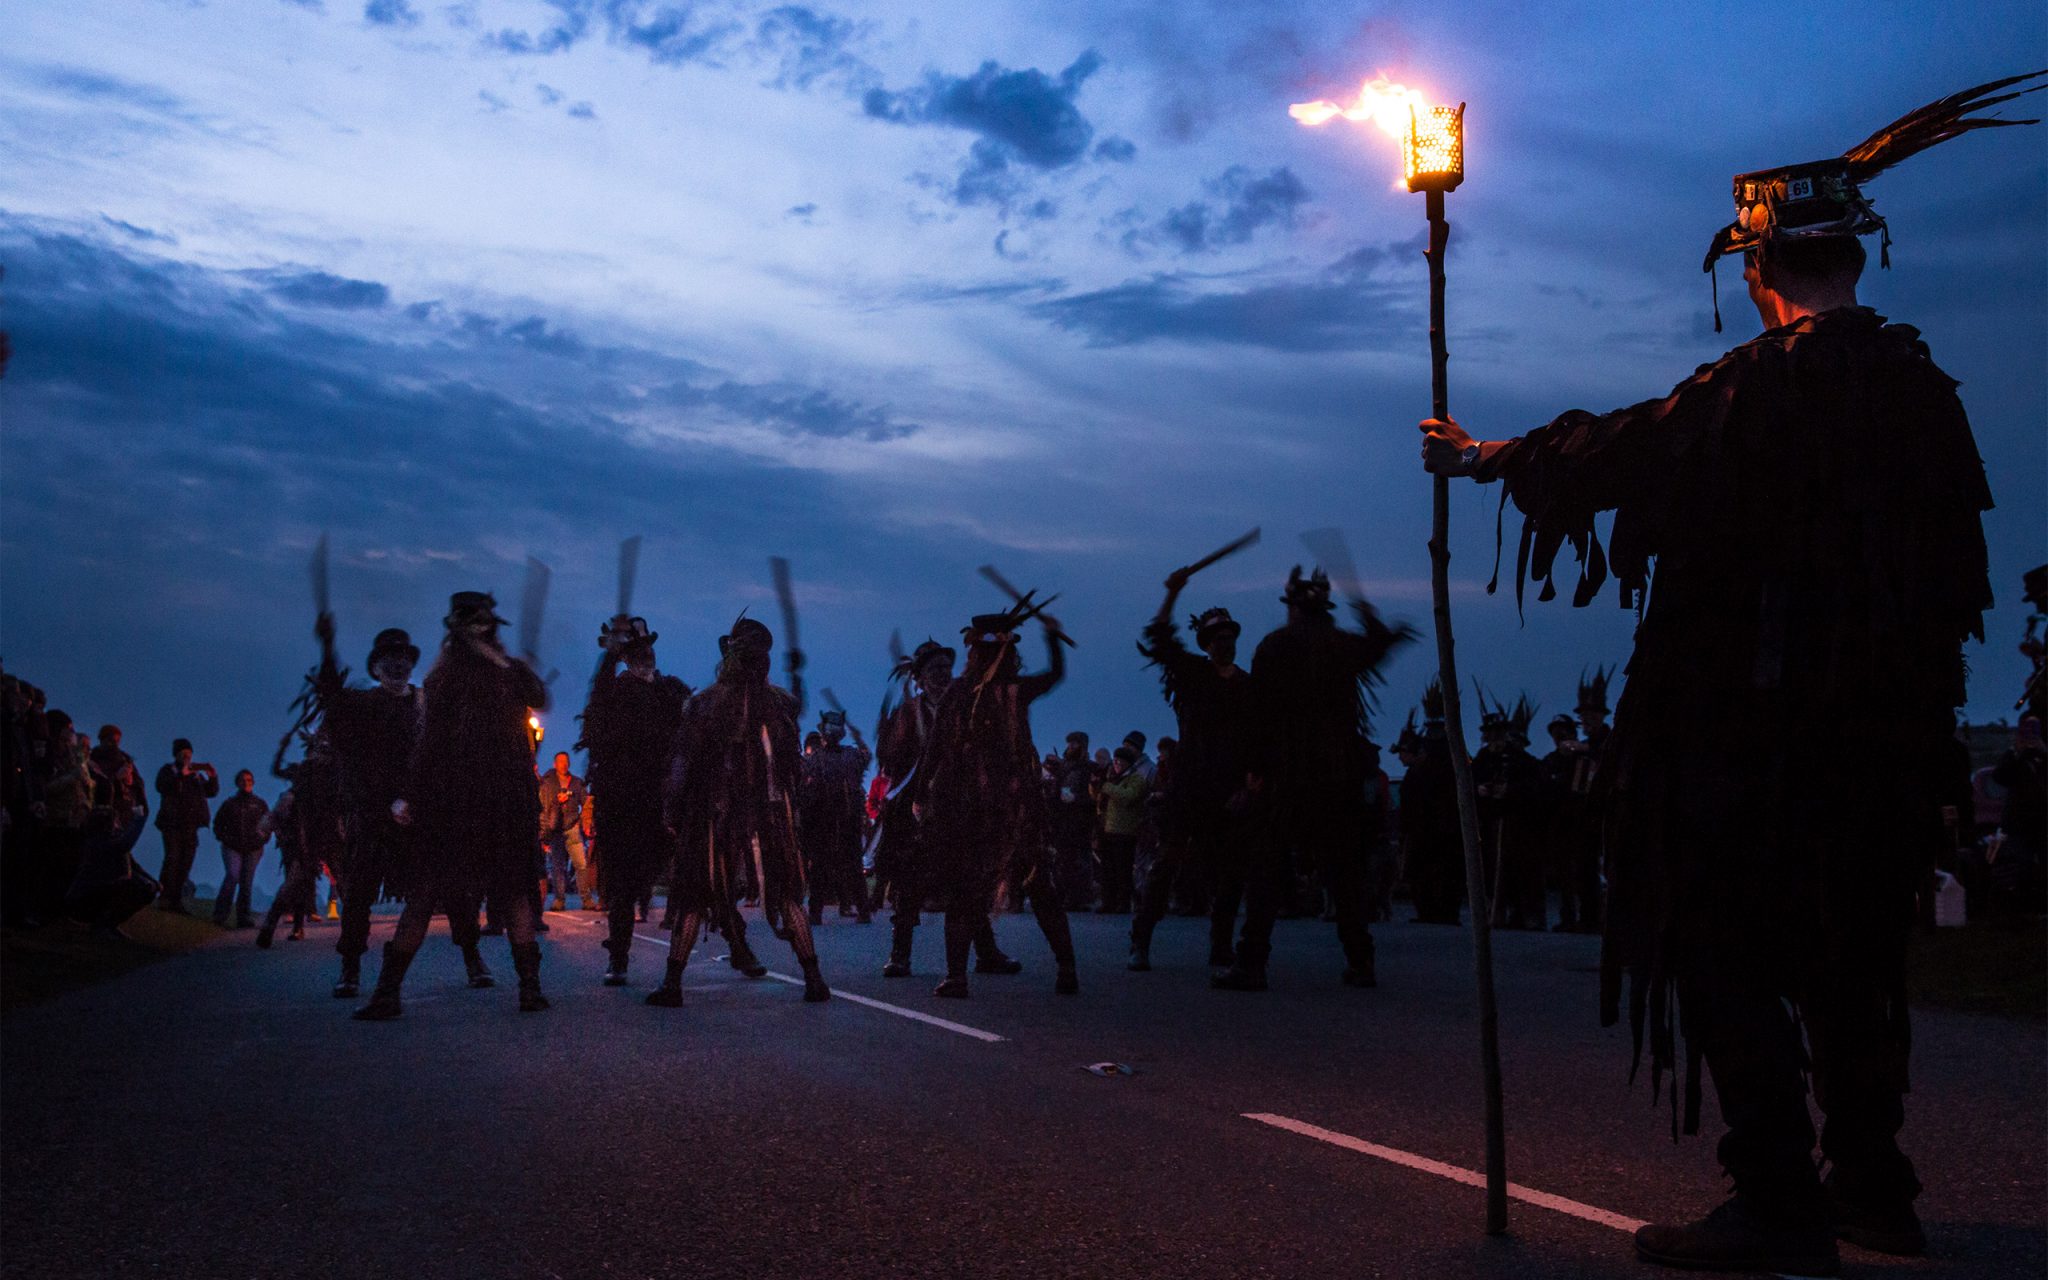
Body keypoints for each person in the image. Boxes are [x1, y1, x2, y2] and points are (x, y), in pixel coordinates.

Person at [1419, 73, 2034, 1271]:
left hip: (1751, 751)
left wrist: (1487, 456)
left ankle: (1777, 1198)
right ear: (1853, 260)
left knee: (1721, 945)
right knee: (1855, 959)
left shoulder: (1757, 387)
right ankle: (1869, 1188)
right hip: (1883, 750)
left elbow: (1627, 447)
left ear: (1754, 275)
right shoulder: (1922, 393)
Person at [1213, 568, 1412, 992]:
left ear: (1294, 610)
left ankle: (1251, 964)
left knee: (1267, 869)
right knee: (1344, 873)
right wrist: (1364, 608)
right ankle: (1361, 961)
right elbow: (1379, 644)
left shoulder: (1277, 646)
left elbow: (1257, 715)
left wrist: (1254, 771)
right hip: (1335, 774)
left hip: (1290, 773)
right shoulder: (1340, 645)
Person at [354, 593, 549, 1018]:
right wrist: (413, 794)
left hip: (505, 800)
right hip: (455, 802)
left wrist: (508, 664)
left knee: (514, 891)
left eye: (488, 625)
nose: (484, 631)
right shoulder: (445, 677)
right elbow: (429, 744)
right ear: (460, 629)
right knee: (425, 894)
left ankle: (530, 988)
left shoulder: (507, 672)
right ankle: (387, 992)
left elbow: (538, 696)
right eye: (475, 625)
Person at [646, 615, 830, 1007]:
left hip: (718, 813)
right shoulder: (777, 702)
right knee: (784, 895)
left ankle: (673, 984)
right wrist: (797, 676)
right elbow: (796, 707)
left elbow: (681, 762)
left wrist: (672, 809)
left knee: (695, 894)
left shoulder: (705, 702)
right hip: (762, 812)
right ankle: (814, 979)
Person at [314, 619, 494, 999]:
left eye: (402, 658)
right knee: (359, 892)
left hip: (421, 813)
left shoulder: (424, 703)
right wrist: (329, 647)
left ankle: (474, 959)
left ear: (411, 664)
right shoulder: (363, 705)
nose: (397, 665)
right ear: (376, 668)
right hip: (375, 814)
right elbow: (332, 699)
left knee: (451, 887)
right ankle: (350, 968)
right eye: (388, 659)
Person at [912, 596, 1077, 997]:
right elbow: (935, 747)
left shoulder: (1005, 690)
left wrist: (922, 792)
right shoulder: (969, 692)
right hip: (981, 808)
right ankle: (1059, 969)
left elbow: (934, 749)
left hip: (1005, 809)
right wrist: (921, 790)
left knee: (1013, 886)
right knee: (1017, 887)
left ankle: (963, 976)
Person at [871, 638, 1021, 979]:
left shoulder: (966, 706)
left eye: (945, 668)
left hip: (959, 807)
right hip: (916, 809)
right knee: (909, 884)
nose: (942, 674)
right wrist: (889, 740)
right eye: (934, 669)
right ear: (920, 678)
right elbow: (892, 760)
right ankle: (900, 955)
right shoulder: (910, 712)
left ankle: (986, 952)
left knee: (968, 882)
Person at [1134, 581, 1258, 971]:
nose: (1224, 643)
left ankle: (1221, 945)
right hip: (1189, 788)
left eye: (1229, 637)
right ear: (1205, 644)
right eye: (1216, 638)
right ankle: (1141, 943)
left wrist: (1249, 783)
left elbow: (1259, 738)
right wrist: (1171, 592)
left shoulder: (1248, 686)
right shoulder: (1191, 674)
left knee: (1229, 873)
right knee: (1167, 863)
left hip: (1229, 791)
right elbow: (1159, 636)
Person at [577, 614, 688, 987]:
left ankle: (726, 948)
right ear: (626, 657)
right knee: (623, 884)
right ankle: (619, 957)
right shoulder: (614, 691)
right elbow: (597, 702)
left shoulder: (671, 689)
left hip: (666, 799)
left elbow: (694, 721)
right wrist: (610, 653)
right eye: (635, 651)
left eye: (647, 649)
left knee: (691, 874)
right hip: (624, 801)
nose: (645, 656)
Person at [1473, 695, 1545, 930]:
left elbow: (1535, 786)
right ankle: (1496, 911)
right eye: (1491, 735)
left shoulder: (1521, 759)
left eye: (1499, 734)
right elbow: (1468, 784)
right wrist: (1479, 790)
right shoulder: (1482, 759)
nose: (1495, 740)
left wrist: (1510, 791)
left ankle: (1524, 914)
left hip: (1517, 826)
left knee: (1521, 872)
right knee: (1491, 869)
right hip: (1489, 824)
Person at [1394, 689, 1463, 925]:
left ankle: (1445, 912)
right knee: (1422, 871)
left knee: (1444, 871)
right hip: (1423, 826)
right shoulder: (1419, 764)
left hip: (1444, 825)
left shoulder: (1451, 752)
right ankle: (1428, 912)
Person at [801, 709, 871, 924]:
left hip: (847, 818)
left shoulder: (851, 755)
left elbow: (866, 757)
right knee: (821, 868)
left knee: (850, 866)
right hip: (823, 819)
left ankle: (862, 909)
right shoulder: (816, 759)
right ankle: (816, 912)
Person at [1540, 712, 1600, 933]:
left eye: (1564, 733)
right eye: (1556, 734)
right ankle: (1568, 917)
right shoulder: (1550, 762)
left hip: (1583, 824)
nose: (1560, 738)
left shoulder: (1585, 759)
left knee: (1586, 871)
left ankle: (1590, 918)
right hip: (1559, 825)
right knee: (1563, 873)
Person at [153, 739, 218, 913]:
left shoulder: (195, 774)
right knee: (172, 859)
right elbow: (162, 787)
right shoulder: (169, 771)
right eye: (183, 754)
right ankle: (164, 897)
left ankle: (176, 900)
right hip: (172, 824)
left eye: (189, 754)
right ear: (176, 754)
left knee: (185, 863)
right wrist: (181, 774)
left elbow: (211, 792)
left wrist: (212, 776)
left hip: (191, 825)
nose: (187, 757)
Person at [209, 770, 269, 928]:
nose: (246, 783)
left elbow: (268, 824)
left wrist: (261, 839)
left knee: (246, 881)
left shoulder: (259, 804)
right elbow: (218, 824)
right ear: (237, 783)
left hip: (253, 848)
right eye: (243, 780)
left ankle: (243, 917)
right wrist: (226, 838)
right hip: (232, 847)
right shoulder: (230, 804)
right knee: (232, 876)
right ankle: (220, 915)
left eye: (249, 780)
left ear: (253, 782)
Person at [1093, 746, 1148, 914]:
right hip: (1108, 828)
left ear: (1128, 763)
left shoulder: (1136, 779)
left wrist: (1106, 786)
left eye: (1119, 761)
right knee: (1107, 869)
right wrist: (1095, 786)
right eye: (1115, 760)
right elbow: (1099, 799)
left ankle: (1123, 903)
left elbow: (1128, 796)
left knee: (1122, 869)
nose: (1116, 763)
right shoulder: (1113, 778)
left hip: (1125, 830)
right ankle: (1108, 902)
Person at [537, 753, 589, 912]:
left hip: (572, 827)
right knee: (558, 866)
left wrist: (584, 822)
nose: (563, 764)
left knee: (581, 864)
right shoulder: (547, 782)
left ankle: (586, 899)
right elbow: (542, 804)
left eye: (566, 762)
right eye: (560, 762)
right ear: (555, 764)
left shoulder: (576, 783)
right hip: (555, 829)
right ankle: (559, 900)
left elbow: (586, 803)